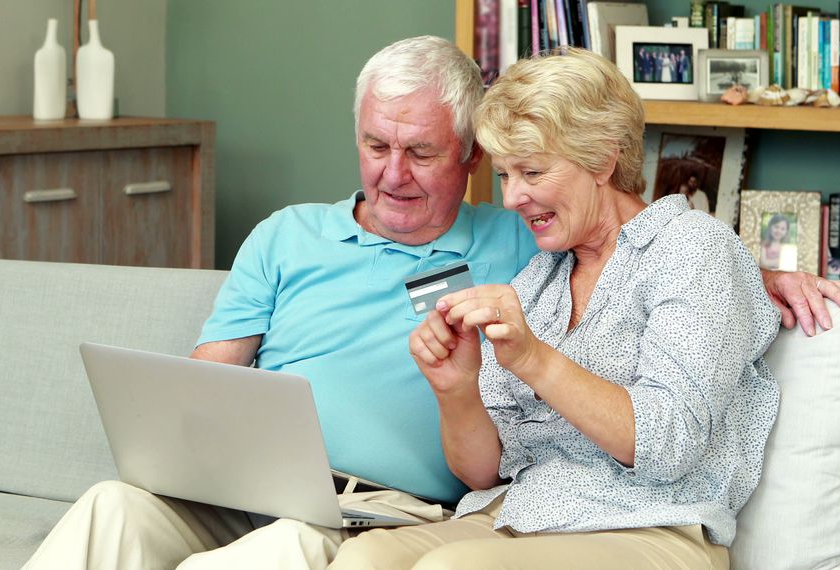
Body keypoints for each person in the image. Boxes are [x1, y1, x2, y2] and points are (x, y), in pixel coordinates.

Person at [24, 37, 840, 570]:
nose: (391, 172)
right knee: (110, 509)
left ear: (462, 161)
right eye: (375, 147)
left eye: (420, 152)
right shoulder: (537, 271)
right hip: (470, 509)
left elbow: (671, 260)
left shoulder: (527, 245)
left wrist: (766, 276)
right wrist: (460, 387)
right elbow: (491, 462)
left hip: (405, 512)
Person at [330, 46, 779, 570]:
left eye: (533, 172)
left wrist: (534, 359)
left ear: (604, 159)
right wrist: (455, 389)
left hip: (646, 527)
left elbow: (669, 444)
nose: (514, 197)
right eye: (504, 175)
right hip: (517, 513)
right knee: (366, 558)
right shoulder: (541, 278)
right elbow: (484, 473)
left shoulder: (691, 249)